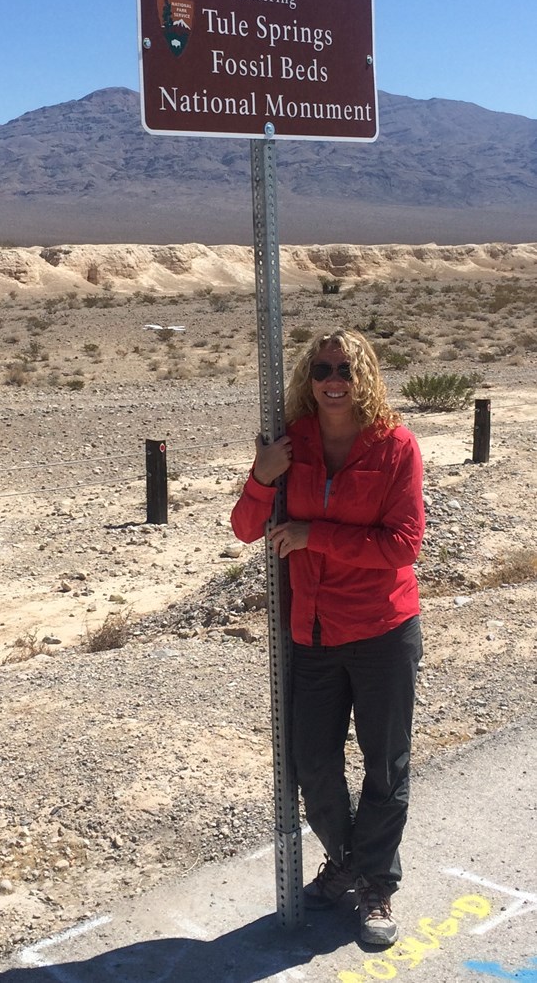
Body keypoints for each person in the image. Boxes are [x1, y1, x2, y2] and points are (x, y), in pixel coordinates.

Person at [231, 328, 425, 947]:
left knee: (384, 765)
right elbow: (244, 529)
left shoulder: (395, 446)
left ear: (363, 373)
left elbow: (403, 545)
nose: (332, 379)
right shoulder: (293, 444)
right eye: (321, 369)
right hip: (311, 633)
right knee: (311, 762)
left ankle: (375, 886)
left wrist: (316, 536)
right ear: (307, 378)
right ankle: (346, 860)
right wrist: (263, 477)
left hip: (382, 630)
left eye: (344, 367)